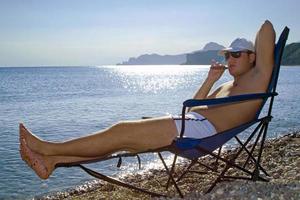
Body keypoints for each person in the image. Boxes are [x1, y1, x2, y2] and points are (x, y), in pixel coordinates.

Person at [19, 20, 276, 180]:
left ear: (253, 57)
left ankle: (48, 148)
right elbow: (195, 105)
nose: (230, 59)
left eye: (237, 54)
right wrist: (211, 79)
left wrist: (257, 55)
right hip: (192, 121)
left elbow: (266, 28)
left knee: (120, 131)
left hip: (203, 132)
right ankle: (52, 161)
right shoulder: (229, 85)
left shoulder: (258, 77)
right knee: (121, 141)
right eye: (228, 55)